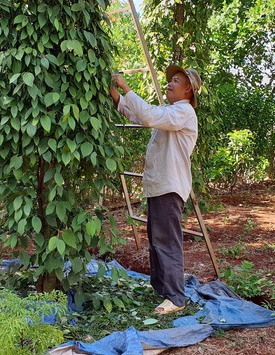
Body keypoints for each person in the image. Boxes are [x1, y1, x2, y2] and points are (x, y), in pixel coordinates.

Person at [109, 65, 201, 315]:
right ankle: (162, 288)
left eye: (175, 81)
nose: (169, 84)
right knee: (157, 239)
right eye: (170, 80)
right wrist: (114, 94)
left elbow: (147, 115)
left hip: (169, 187)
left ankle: (175, 297)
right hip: (161, 186)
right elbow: (138, 115)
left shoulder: (183, 112)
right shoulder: (171, 112)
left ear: (188, 89)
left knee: (167, 242)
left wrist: (125, 87)